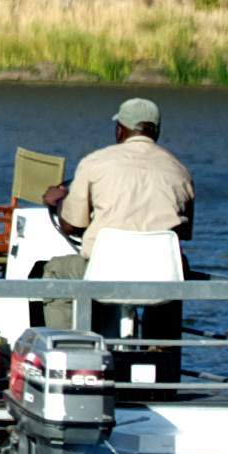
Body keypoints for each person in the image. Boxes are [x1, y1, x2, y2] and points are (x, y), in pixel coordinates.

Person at [57, 96, 195, 379]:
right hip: (159, 277)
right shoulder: (179, 171)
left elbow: (70, 225)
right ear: (156, 131)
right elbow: (183, 232)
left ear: (120, 130)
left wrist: (59, 200)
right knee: (178, 271)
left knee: (51, 273)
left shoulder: (95, 163)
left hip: (105, 274)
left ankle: (67, 362)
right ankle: (161, 362)